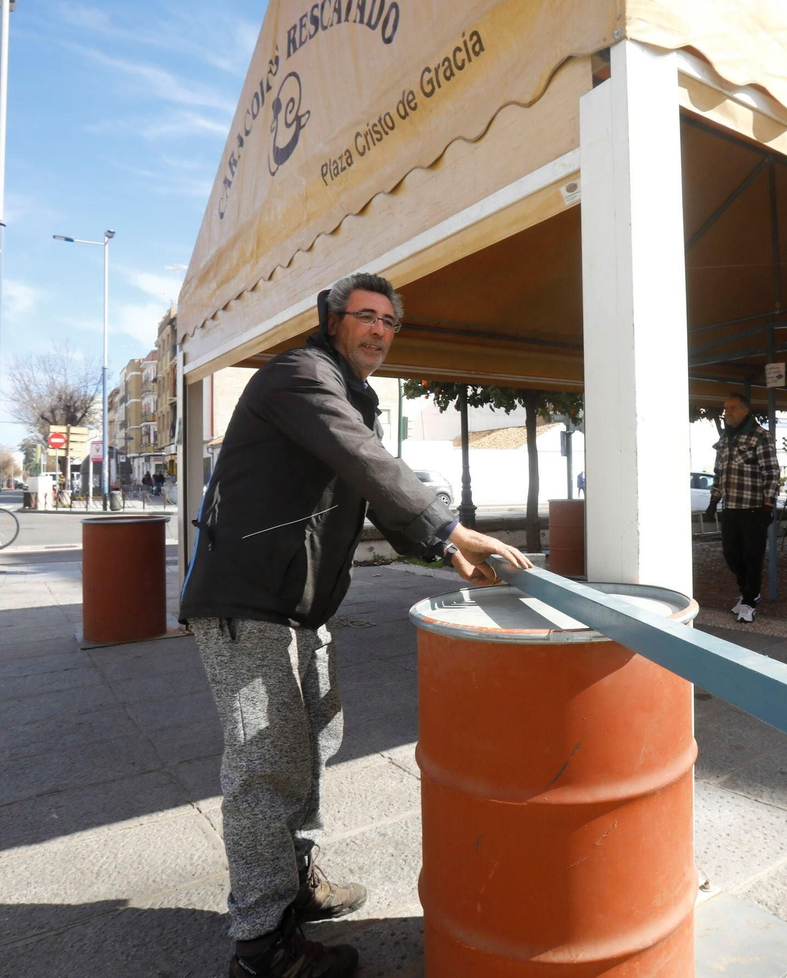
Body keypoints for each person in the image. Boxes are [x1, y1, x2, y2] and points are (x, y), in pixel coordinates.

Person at [180, 271, 532, 978]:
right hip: (247, 603)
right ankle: (260, 945)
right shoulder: (300, 376)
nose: (378, 330)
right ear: (333, 320)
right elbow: (365, 458)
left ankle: (295, 882)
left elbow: (365, 483)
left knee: (312, 746)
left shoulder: (344, 394)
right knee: (264, 765)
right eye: (365, 316)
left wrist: (435, 546)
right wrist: (452, 529)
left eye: (389, 322)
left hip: (300, 607)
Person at [705, 392, 779, 623]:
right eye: (726, 408)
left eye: (733, 408)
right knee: (731, 554)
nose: (727, 412)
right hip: (731, 508)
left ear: (745, 410)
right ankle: (749, 591)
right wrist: (713, 501)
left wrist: (768, 505)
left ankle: (748, 601)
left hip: (754, 508)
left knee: (752, 556)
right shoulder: (725, 439)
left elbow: (772, 472)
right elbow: (719, 473)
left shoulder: (760, 436)